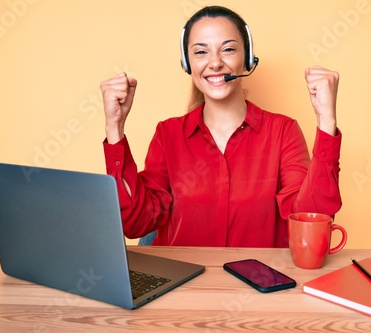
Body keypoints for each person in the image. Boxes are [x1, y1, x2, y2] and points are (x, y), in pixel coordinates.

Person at [100, 5, 342, 247]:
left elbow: (312, 223)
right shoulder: (168, 134)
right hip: (186, 282)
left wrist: (326, 120)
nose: (215, 63)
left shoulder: (283, 131)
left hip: (258, 283)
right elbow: (136, 223)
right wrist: (115, 127)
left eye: (227, 49)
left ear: (247, 59)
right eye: (201, 52)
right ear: (187, 64)